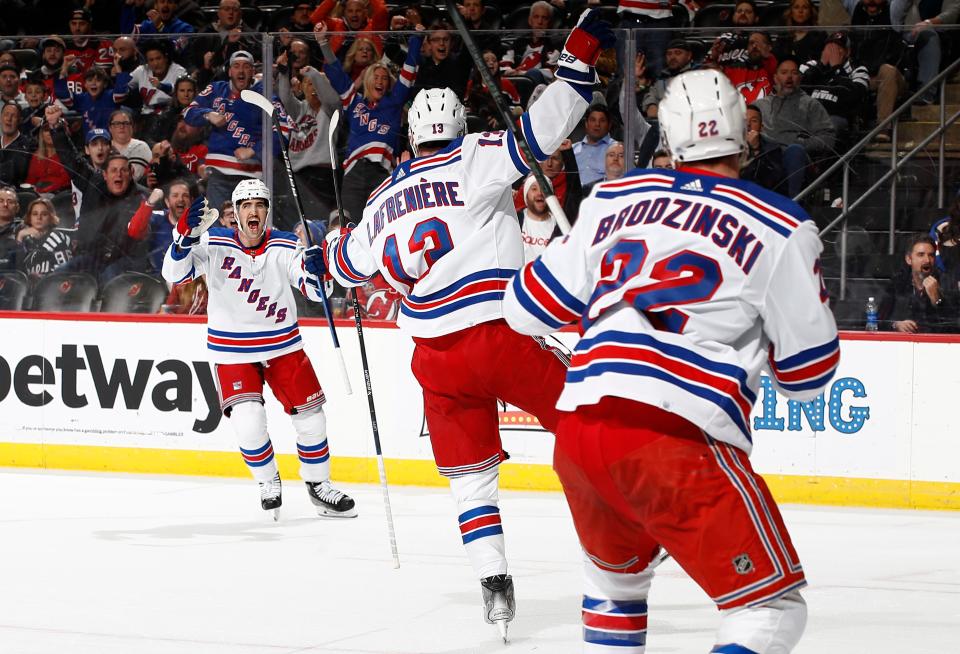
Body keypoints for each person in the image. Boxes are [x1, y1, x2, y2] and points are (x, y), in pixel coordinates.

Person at [503, 68, 840, 653]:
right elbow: (809, 375)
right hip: (674, 436)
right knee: (770, 611)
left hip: (581, 433)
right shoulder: (783, 223)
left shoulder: (613, 197)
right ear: (741, 130)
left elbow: (524, 310)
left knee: (614, 588)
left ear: (670, 135)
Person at [321, 9, 615, 639]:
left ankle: (493, 582)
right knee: (587, 417)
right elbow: (541, 131)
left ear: (409, 136)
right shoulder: (474, 158)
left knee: (471, 476)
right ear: (457, 127)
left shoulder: (377, 202)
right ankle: (623, 538)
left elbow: (343, 268)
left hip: (434, 359)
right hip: (498, 334)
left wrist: (331, 247)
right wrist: (578, 61)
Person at [161, 179, 357, 519]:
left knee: (313, 421)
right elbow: (173, 274)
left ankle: (318, 485)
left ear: (267, 211)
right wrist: (183, 237)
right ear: (235, 213)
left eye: (260, 205)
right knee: (248, 421)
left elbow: (316, 293)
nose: (254, 211)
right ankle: (268, 480)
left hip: (283, 345)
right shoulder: (213, 242)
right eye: (246, 205)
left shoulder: (285, 244)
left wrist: (318, 272)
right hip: (232, 350)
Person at [322, 30, 422, 228]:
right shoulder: (354, 102)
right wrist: (323, 42)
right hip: (354, 173)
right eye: (376, 77)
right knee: (351, 227)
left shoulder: (394, 103)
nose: (380, 81)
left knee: (381, 226)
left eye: (384, 78)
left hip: (382, 171)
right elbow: (335, 73)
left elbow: (409, 73)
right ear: (367, 80)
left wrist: (416, 39)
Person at [184, 50, 290, 211]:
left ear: (253, 71)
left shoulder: (265, 95)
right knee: (219, 228)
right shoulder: (216, 89)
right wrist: (207, 114)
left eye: (246, 67)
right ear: (229, 71)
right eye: (236, 66)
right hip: (218, 174)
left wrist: (254, 150)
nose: (241, 71)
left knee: (247, 227)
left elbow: (284, 130)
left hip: (251, 176)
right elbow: (188, 112)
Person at [754, 58, 836, 198]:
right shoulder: (760, 105)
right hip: (766, 159)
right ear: (775, 77)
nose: (789, 77)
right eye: (784, 72)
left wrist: (801, 143)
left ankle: (791, 205)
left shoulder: (811, 105)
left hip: (796, 159)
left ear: (799, 78)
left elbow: (828, 139)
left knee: (795, 151)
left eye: (794, 73)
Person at [879, 234, 958, 333]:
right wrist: (895, 325)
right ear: (909, 259)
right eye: (921, 255)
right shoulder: (898, 283)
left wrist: (938, 301)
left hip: (935, 344)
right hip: (902, 344)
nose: (927, 260)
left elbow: (955, 326)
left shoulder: (947, 281)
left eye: (931, 255)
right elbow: (877, 320)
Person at [16, 197, 74, 278]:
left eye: (44, 214)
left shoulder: (58, 238)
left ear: (51, 217)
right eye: (35, 214)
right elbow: (17, 270)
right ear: (30, 218)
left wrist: (43, 278)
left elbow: (66, 271)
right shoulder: (26, 240)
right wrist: (20, 236)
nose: (39, 218)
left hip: (52, 287)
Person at [573, 104, 615, 186]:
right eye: (593, 120)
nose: (597, 124)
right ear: (586, 124)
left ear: (609, 125)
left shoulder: (616, 150)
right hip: (573, 196)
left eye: (602, 120)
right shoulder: (572, 149)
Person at [518, 175, 556, 263]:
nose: (539, 193)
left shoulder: (559, 225)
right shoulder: (515, 220)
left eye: (544, 188)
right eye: (534, 189)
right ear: (526, 195)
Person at [0, 101, 33, 187]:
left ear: (20, 120)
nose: (9, 119)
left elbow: (17, 176)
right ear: (1, 118)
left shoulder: (28, 145)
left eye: (13, 116)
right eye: (6, 114)